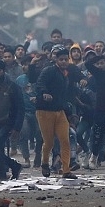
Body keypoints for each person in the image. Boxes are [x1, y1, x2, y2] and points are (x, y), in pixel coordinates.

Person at [35, 47, 86, 179]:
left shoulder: (67, 73)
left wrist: (69, 113)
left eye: (66, 59)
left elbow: (64, 95)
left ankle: (66, 170)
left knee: (65, 140)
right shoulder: (49, 71)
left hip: (60, 111)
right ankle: (45, 163)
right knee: (49, 142)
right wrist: (44, 93)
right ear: (56, 60)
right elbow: (40, 83)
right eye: (61, 59)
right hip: (45, 111)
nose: (64, 62)